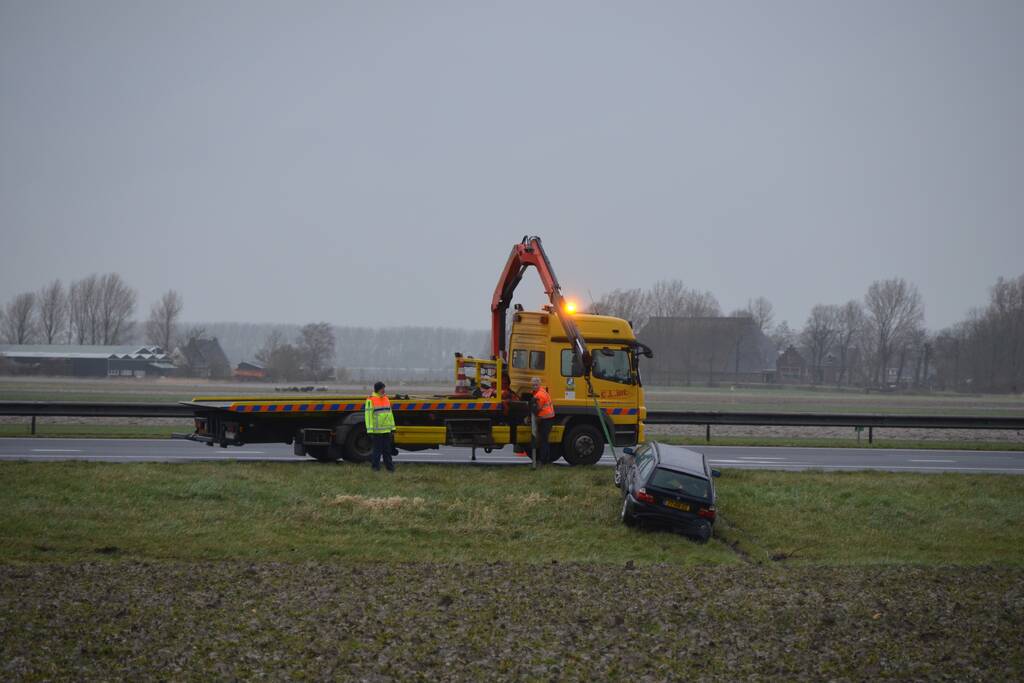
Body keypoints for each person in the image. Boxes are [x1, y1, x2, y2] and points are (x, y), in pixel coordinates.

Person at [365, 381, 396, 472]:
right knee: (377, 451)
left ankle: (390, 468)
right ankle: (375, 468)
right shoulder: (371, 400)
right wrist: (370, 429)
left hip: (386, 430)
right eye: (382, 388)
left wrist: (392, 427)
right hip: (376, 431)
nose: (384, 390)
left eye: (384, 388)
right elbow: (368, 416)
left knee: (387, 450)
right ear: (378, 389)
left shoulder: (386, 398)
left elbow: (390, 414)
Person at [530, 376, 555, 464]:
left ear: (539, 384)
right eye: (533, 385)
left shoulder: (539, 395)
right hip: (547, 418)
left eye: (535, 385)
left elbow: (537, 409)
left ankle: (543, 460)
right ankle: (545, 459)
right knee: (544, 440)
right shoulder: (541, 391)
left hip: (546, 419)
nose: (534, 386)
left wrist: (531, 408)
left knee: (543, 440)